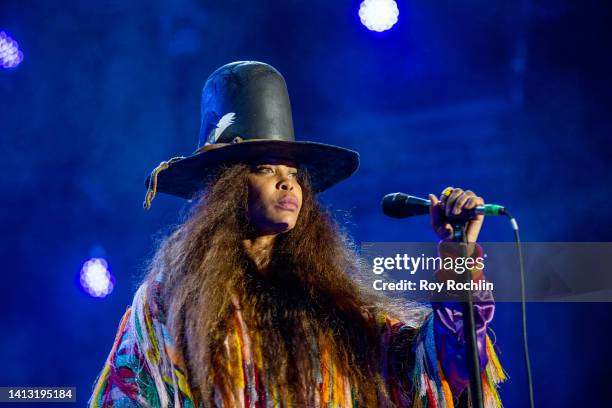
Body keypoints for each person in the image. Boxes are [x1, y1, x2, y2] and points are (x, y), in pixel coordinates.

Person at [88, 61, 505, 408]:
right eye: (266, 169)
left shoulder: (333, 307)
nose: (288, 184)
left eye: (294, 175)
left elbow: (444, 369)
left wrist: (458, 252)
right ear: (227, 186)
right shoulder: (170, 302)